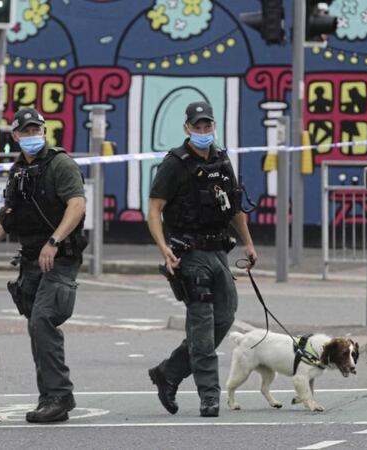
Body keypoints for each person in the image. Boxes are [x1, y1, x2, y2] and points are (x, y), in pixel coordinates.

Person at [0, 107, 87, 424]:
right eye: (27, 131)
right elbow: (8, 218)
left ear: (44, 131)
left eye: (38, 130)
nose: (33, 136)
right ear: (16, 136)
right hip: (32, 259)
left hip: (59, 257)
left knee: (43, 321)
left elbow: (77, 205)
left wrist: (55, 241)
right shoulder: (19, 170)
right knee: (37, 328)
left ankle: (59, 396)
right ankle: (50, 396)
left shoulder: (61, 164)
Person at [147, 101, 258, 418]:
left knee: (225, 316)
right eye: (197, 127)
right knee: (202, 326)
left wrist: (248, 244)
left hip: (219, 252)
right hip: (189, 254)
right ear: (187, 128)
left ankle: (169, 371)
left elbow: (234, 208)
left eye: (207, 126)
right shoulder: (175, 164)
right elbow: (154, 208)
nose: (203, 131)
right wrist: (163, 247)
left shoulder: (222, 161)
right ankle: (209, 395)